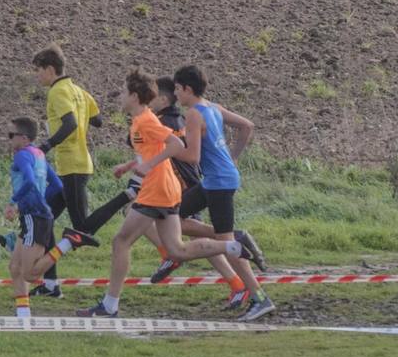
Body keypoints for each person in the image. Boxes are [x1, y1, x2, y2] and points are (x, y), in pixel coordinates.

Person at [77, 69, 261, 319]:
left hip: (157, 190)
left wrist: (147, 167)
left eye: (122, 92)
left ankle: (110, 305)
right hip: (164, 188)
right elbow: (156, 149)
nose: (119, 97)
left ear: (134, 96)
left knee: (121, 241)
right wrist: (131, 165)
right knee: (177, 251)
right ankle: (232, 246)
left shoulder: (147, 121)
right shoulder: (143, 119)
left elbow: (176, 146)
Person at [167, 64, 274, 321]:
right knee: (170, 215)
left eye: (177, 89)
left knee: (228, 246)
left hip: (219, 184)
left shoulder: (194, 114)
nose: (175, 94)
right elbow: (247, 126)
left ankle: (260, 298)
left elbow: (192, 157)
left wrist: (166, 149)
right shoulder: (213, 107)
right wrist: (232, 158)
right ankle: (188, 250)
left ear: (188, 89)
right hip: (215, 181)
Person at [5, 116, 98, 318]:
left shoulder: (21, 155)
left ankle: (68, 242)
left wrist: (13, 202)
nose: (9, 140)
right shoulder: (39, 154)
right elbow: (56, 186)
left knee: (30, 273)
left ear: (23, 137)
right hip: (37, 214)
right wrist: (41, 201)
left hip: (34, 216)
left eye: (11, 135)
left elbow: (29, 181)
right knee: (15, 266)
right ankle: (23, 314)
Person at [30, 44, 102, 298]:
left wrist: (47, 144)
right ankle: (51, 286)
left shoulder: (58, 92)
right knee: (46, 217)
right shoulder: (78, 91)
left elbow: (70, 123)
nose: (37, 76)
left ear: (50, 69)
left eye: (38, 71)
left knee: (81, 228)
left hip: (72, 165)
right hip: (77, 165)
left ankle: (125, 196)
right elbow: (98, 120)